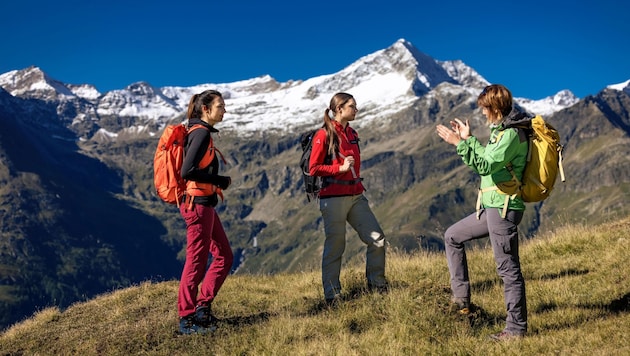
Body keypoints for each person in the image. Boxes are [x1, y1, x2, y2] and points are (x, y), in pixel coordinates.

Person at [435, 84, 529, 341]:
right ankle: (461, 302)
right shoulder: (501, 132)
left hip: (503, 208)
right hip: (491, 206)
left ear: (495, 107)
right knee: (452, 236)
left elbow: (485, 165)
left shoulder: (511, 134)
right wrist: (468, 139)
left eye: (485, 109)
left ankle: (515, 329)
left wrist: (458, 144)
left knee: (508, 269)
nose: (483, 114)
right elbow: (488, 158)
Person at [309, 92, 387, 305]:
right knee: (336, 246)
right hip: (333, 198)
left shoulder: (352, 133)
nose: (356, 109)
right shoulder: (324, 134)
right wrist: (339, 168)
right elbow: (313, 168)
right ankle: (332, 296)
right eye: (352, 106)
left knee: (378, 239)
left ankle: (377, 286)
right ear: (339, 109)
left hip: (356, 196)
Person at [178, 89, 233, 334]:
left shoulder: (200, 132)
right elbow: (187, 171)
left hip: (204, 204)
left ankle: (202, 309)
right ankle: (187, 320)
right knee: (196, 262)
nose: (224, 110)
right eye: (220, 106)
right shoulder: (200, 133)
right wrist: (219, 181)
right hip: (197, 206)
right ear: (206, 109)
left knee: (224, 255)